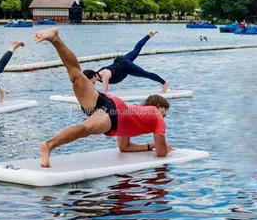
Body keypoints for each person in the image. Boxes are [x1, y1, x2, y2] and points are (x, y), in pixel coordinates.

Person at [34, 28, 173, 168]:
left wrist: (150, 146)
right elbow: (161, 154)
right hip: (113, 110)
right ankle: (49, 145)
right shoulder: (155, 115)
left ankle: (55, 39)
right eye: (164, 110)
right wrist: (164, 146)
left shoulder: (134, 117)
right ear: (157, 107)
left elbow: (124, 148)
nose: (165, 115)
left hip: (108, 104)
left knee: (76, 76)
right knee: (86, 128)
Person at [83, 31, 169, 93]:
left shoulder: (104, 75)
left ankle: (164, 83)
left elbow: (105, 92)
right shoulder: (95, 73)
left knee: (144, 73)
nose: (90, 83)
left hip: (125, 66)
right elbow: (86, 85)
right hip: (120, 63)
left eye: (90, 80)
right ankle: (149, 35)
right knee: (136, 50)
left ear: (94, 76)